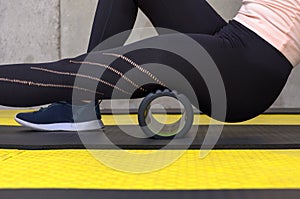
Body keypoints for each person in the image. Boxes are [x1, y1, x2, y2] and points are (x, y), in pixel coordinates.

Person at [0, 0, 298, 128]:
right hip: (232, 38)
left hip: (249, 71)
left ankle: (82, 93)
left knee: (74, 76)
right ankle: (82, 106)